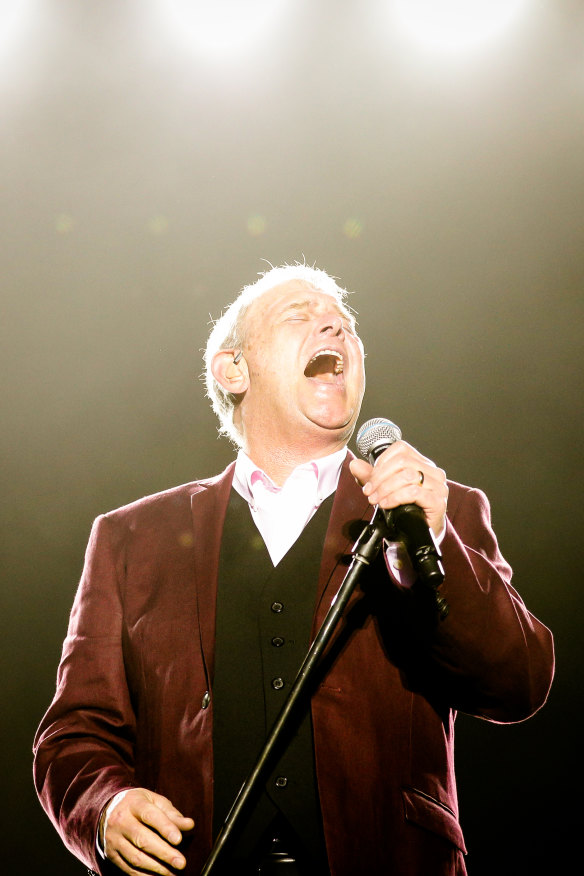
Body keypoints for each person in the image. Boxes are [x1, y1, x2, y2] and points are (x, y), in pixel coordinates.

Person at [33, 264, 554, 876]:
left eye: (345, 324)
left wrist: (435, 537)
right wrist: (106, 807)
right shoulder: (130, 538)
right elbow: (74, 731)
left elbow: (517, 683)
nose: (333, 323)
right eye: (299, 315)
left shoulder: (441, 509)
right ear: (233, 369)